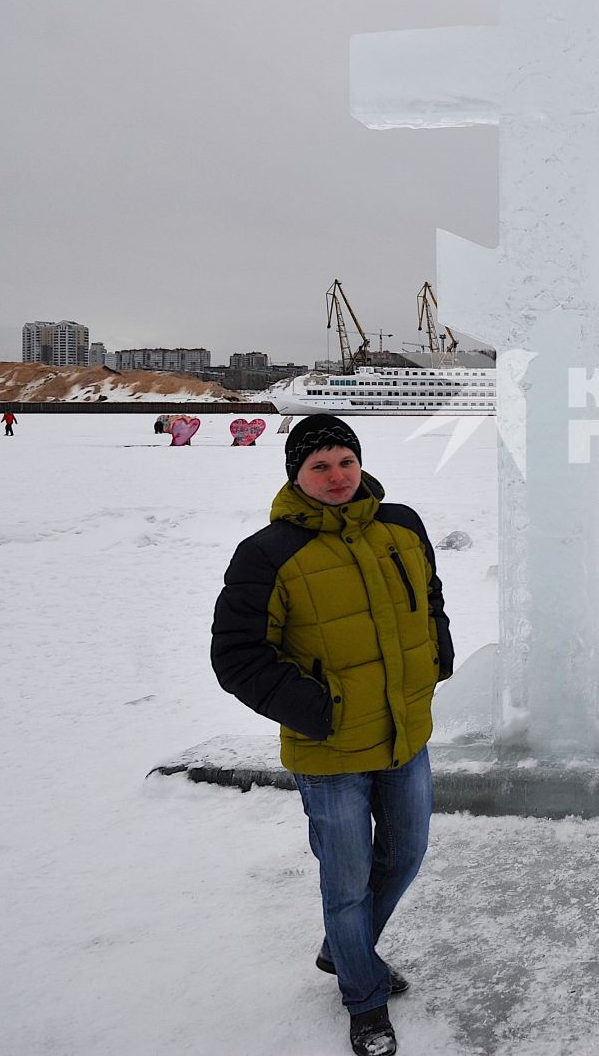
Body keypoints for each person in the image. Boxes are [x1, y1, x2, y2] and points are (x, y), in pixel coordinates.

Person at [211, 416, 452, 1056]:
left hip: (406, 733)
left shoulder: (401, 525)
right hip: (331, 750)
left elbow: (428, 598)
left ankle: (340, 949)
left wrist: (437, 659)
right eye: (319, 467)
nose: (336, 476)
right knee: (344, 884)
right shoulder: (267, 554)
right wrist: (320, 711)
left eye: (345, 461)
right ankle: (364, 999)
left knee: (405, 854)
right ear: (295, 475)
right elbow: (238, 656)